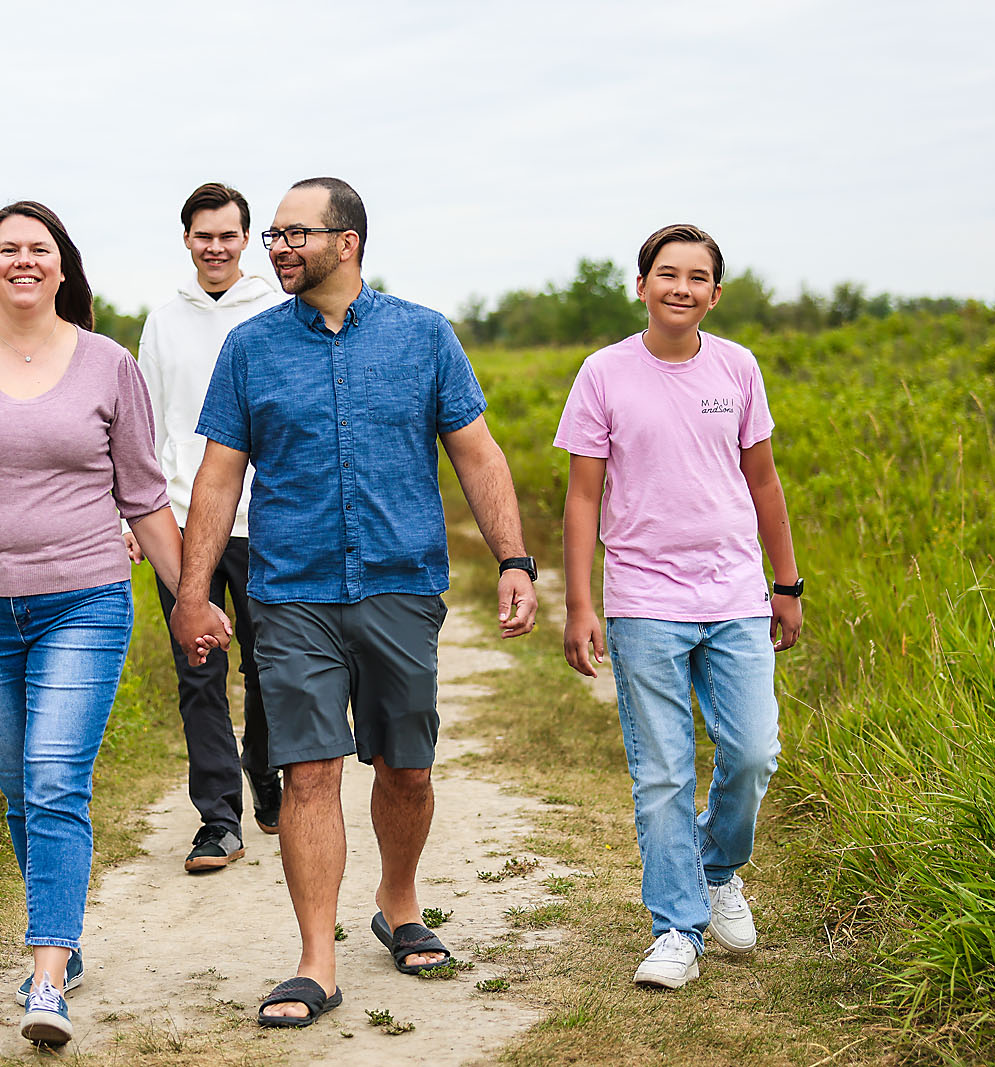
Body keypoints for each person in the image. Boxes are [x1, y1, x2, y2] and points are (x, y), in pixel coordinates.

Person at [169, 177, 539, 1028]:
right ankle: (315, 959)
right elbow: (219, 477)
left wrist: (513, 559)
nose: (277, 248)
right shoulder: (252, 348)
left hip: (401, 584)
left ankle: (400, 903)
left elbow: (478, 456)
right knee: (309, 769)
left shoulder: (424, 336)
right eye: (274, 236)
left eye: (294, 234)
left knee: (406, 764)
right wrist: (193, 594)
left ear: (348, 240)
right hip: (292, 590)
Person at [0, 200, 227, 1046]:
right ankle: (61, 932)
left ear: (64, 267)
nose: (25, 261)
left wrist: (191, 594)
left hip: (85, 597)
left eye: (40, 249)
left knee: (51, 780)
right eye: (9, 250)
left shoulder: (109, 364)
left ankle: (46, 974)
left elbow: (144, 493)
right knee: (18, 790)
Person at [555, 223, 803, 990]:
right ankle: (676, 928)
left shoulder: (739, 367)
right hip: (643, 598)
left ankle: (716, 866)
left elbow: (763, 481)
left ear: (714, 294)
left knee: (755, 750)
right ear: (642, 286)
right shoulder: (603, 373)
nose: (681, 288)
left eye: (698, 277)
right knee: (662, 771)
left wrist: (785, 584)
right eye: (667, 274)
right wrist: (580, 603)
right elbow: (583, 495)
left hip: (734, 591)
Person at [123, 182, 287, 873]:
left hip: (268, 521)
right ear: (186, 240)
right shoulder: (163, 321)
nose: (215, 247)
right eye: (202, 235)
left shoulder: (279, 312)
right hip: (184, 523)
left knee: (272, 668)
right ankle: (218, 819)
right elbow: (146, 424)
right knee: (199, 671)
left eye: (227, 235)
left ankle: (263, 763)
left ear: (246, 239)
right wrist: (134, 515)